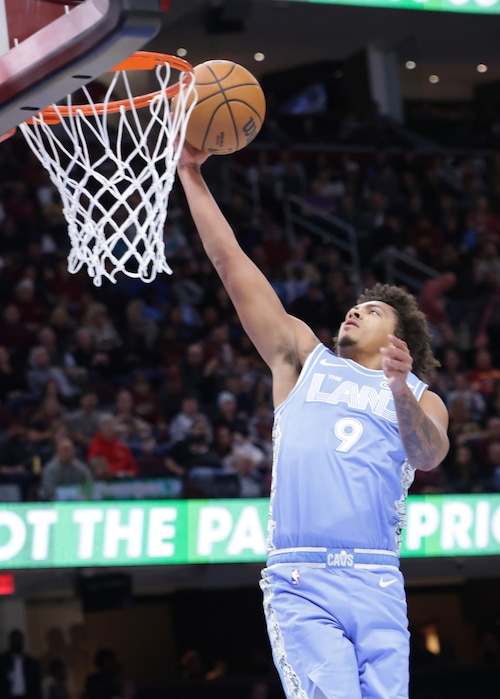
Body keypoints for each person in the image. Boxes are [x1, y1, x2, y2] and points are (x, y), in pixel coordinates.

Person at [176, 144, 450, 699]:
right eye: (356, 304)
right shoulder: (302, 358)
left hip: (377, 578)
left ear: (398, 341)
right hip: (303, 579)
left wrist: (399, 390)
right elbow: (231, 265)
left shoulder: (422, 397)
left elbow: (426, 457)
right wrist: (190, 174)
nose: (355, 310)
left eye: (372, 312)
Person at [0, 628, 42, 699]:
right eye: (15, 640)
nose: (17, 642)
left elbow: (36, 686)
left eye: (19, 640)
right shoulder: (3, 661)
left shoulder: (31, 663)